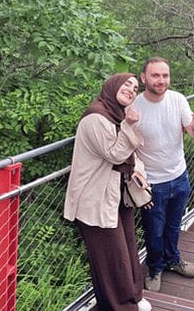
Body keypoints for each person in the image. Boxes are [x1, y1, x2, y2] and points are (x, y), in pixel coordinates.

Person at [64, 73, 152, 311]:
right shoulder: (95, 117)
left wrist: (138, 171)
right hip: (94, 199)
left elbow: (131, 155)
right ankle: (120, 306)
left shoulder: (116, 115)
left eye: (135, 88)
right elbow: (114, 153)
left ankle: (133, 296)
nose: (132, 90)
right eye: (126, 84)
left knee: (127, 249)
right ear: (112, 86)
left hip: (116, 194)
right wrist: (129, 125)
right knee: (111, 258)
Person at [134, 58, 194, 292]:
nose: (161, 80)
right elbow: (127, 147)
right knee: (154, 230)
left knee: (174, 225)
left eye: (165, 75)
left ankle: (173, 260)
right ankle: (154, 267)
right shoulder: (134, 108)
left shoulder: (177, 99)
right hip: (152, 182)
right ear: (144, 78)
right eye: (155, 75)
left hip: (179, 175)